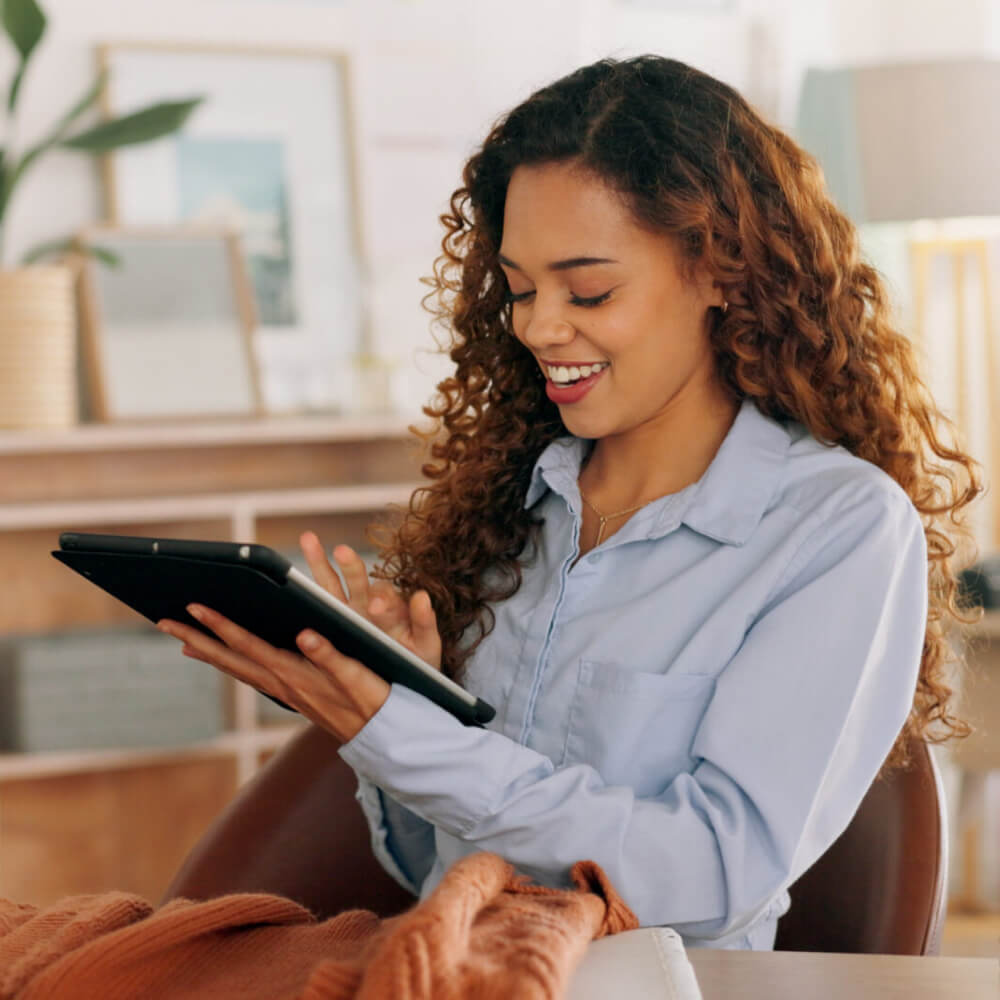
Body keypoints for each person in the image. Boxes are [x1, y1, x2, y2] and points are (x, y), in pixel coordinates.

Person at [157, 56, 980, 950]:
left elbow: (710, 875)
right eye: (518, 288)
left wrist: (409, 739)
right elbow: (433, 862)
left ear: (720, 272)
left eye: (589, 290)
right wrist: (400, 714)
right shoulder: (514, 503)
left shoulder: (836, 528)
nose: (539, 326)